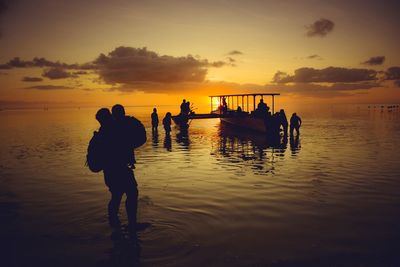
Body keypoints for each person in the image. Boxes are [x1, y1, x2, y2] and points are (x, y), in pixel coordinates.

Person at [102, 104, 142, 231]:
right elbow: (139, 139)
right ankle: (131, 224)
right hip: (120, 169)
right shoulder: (118, 127)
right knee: (132, 193)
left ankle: (113, 222)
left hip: (110, 170)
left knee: (117, 195)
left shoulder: (109, 128)